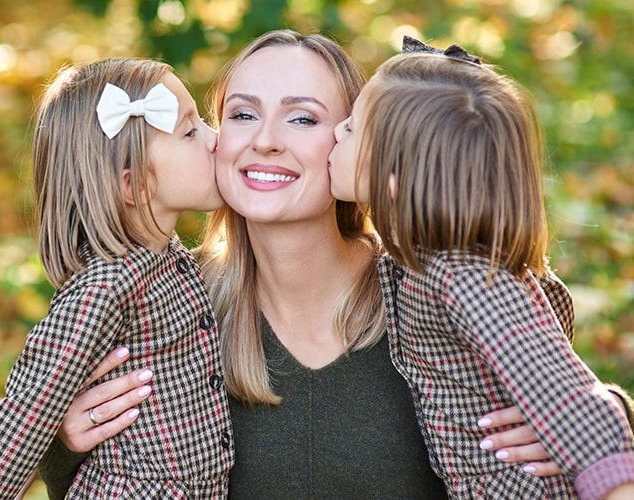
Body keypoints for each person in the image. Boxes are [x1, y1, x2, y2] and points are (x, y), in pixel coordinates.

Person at [37, 30, 633, 498]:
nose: (264, 140)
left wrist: (609, 416)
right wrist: (65, 441)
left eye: (304, 118)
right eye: (242, 114)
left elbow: (558, 385)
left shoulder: (434, 294)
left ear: (362, 144)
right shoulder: (162, 313)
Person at [327, 36, 634, 499]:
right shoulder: (415, 263)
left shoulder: (460, 274)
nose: (335, 132)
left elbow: (562, 389)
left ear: (391, 178)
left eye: (350, 128)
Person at [0, 57, 233, 499]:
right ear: (133, 185)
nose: (217, 140)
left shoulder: (169, 258)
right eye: (191, 131)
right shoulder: (104, 290)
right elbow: (26, 412)